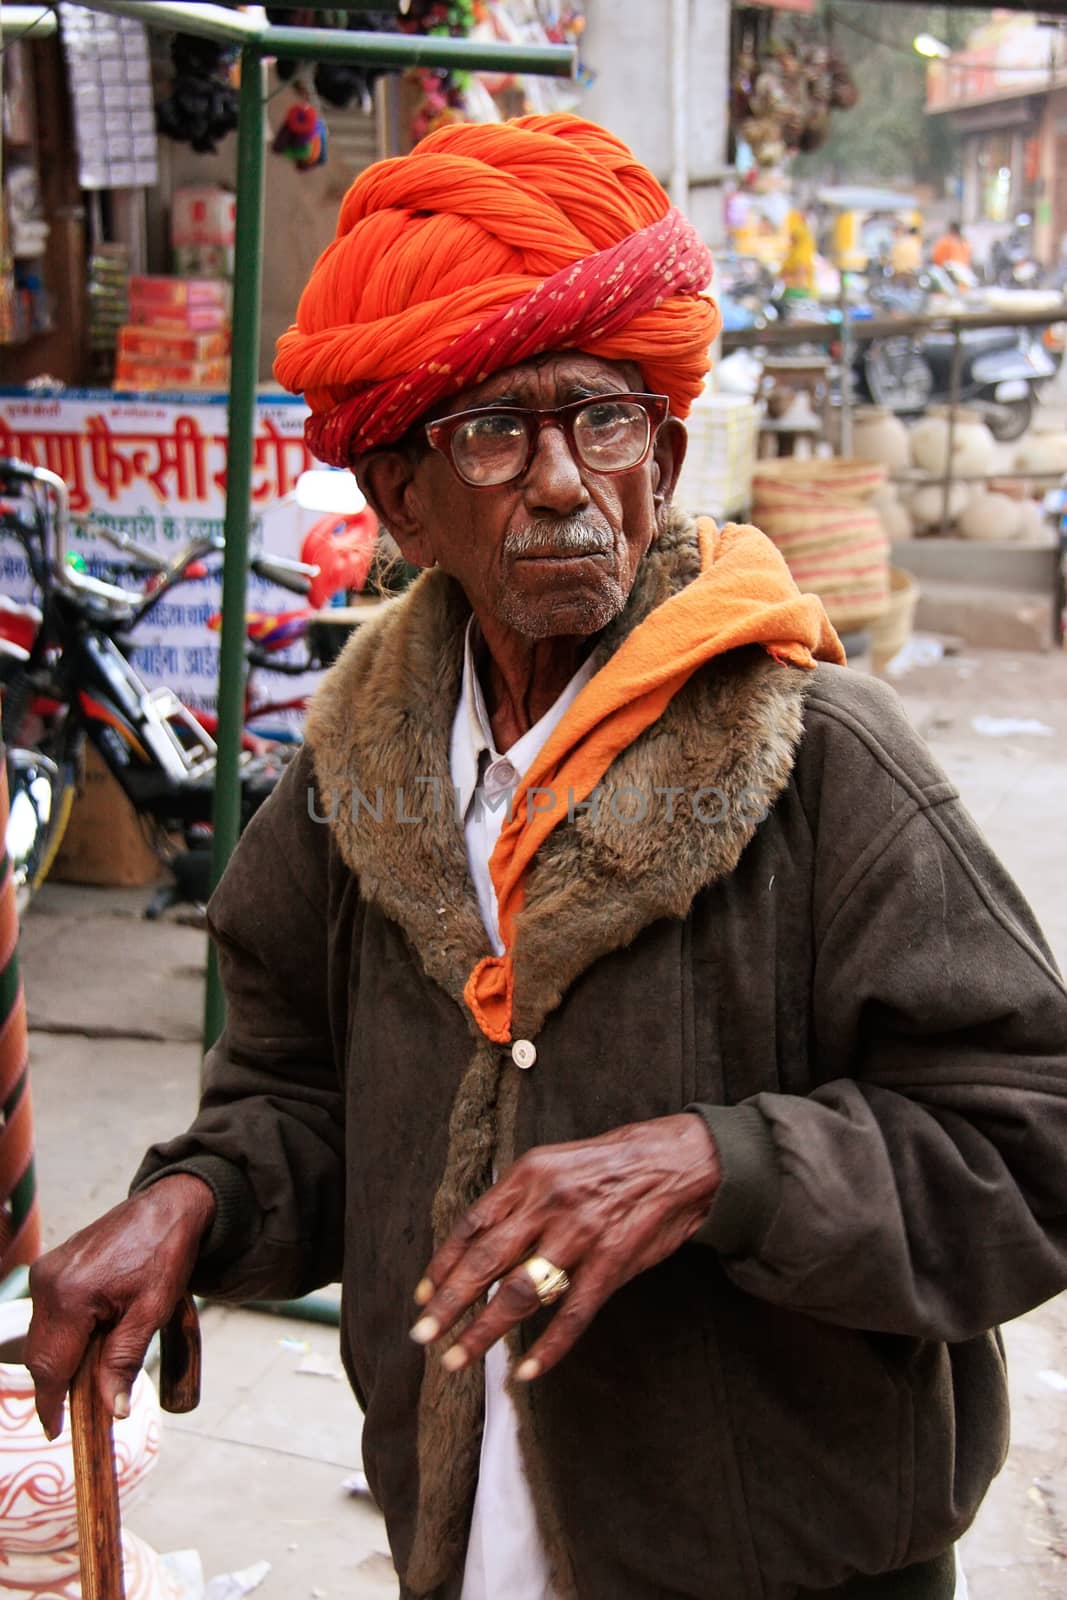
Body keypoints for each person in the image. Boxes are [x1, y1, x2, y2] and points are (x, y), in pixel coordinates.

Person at [26, 116, 1067, 1600]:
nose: (567, 481)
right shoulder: (349, 784)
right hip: (468, 1548)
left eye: (606, 419)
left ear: (669, 451)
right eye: (495, 432)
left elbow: (1032, 1137)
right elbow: (301, 1095)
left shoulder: (829, 756)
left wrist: (723, 1164)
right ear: (399, 501)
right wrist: (194, 1201)